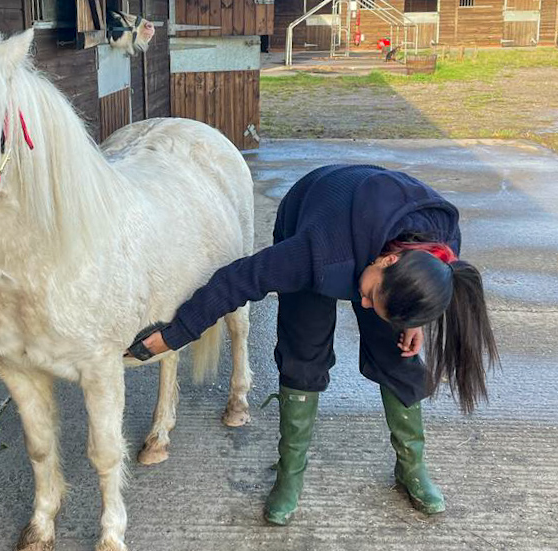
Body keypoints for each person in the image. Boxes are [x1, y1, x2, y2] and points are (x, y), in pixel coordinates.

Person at [128, 164, 498, 526]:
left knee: (397, 352)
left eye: (371, 303)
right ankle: (290, 473)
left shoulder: (440, 248)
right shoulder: (312, 254)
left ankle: (412, 466)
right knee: (302, 353)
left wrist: (412, 322)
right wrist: (171, 336)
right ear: (386, 260)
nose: (362, 305)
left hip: (372, 228)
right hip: (313, 210)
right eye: (366, 295)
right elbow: (237, 281)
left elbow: (408, 297)